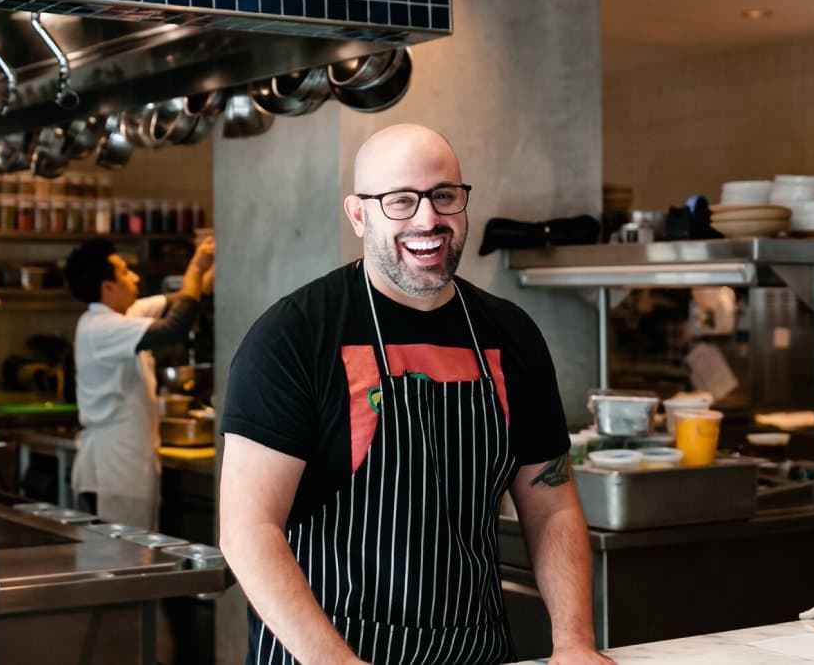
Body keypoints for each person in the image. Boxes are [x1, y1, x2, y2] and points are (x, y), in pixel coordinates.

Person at [220, 123, 614, 665]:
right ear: (359, 215)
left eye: (444, 196)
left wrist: (573, 643)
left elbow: (550, 506)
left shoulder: (510, 334)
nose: (428, 219)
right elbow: (247, 529)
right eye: (400, 201)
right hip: (327, 652)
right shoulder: (295, 336)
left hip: (473, 650)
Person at [64, 234, 215, 529]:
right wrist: (195, 269)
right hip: (112, 469)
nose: (134, 277)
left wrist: (207, 265)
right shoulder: (99, 327)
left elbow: (185, 300)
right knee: (118, 559)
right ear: (108, 287)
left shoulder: (126, 314)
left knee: (133, 553)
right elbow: (174, 328)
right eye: (124, 272)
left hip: (127, 461)